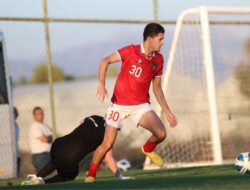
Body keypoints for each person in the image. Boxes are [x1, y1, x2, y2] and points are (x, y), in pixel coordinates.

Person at [85, 23, 178, 183]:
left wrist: (167, 111)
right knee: (107, 144)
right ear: (150, 38)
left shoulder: (159, 59)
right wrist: (101, 84)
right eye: (161, 39)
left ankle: (147, 149)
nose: (163, 43)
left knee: (161, 133)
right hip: (118, 105)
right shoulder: (131, 51)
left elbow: (157, 89)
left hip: (140, 105)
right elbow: (104, 61)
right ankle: (91, 174)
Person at [21, 115, 129, 185]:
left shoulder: (94, 117)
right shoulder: (108, 137)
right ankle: (44, 182)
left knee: (57, 160)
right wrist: (120, 176)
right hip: (70, 157)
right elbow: (109, 158)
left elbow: (81, 121)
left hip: (57, 145)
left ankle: (37, 177)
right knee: (70, 174)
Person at [29, 106, 52, 173]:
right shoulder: (34, 126)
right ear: (34, 115)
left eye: (42, 113)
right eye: (38, 114)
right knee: (42, 176)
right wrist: (47, 138)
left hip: (48, 155)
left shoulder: (45, 126)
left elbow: (51, 138)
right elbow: (45, 139)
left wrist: (47, 138)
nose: (41, 115)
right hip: (39, 156)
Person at [13, 106, 21, 176]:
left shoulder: (16, 125)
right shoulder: (6, 125)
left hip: (16, 152)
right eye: (15, 112)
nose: (17, 114)